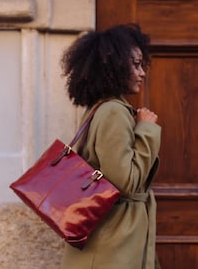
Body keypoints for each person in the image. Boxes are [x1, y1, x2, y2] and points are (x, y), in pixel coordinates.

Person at [60, 23, 161, 269]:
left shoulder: (103, 109)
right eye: (135, 65)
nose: (142, 73)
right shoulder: (113, 111)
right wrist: (146, 129)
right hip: (113, 246)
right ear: (115, 66)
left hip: (115, 241)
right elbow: (124, 182)